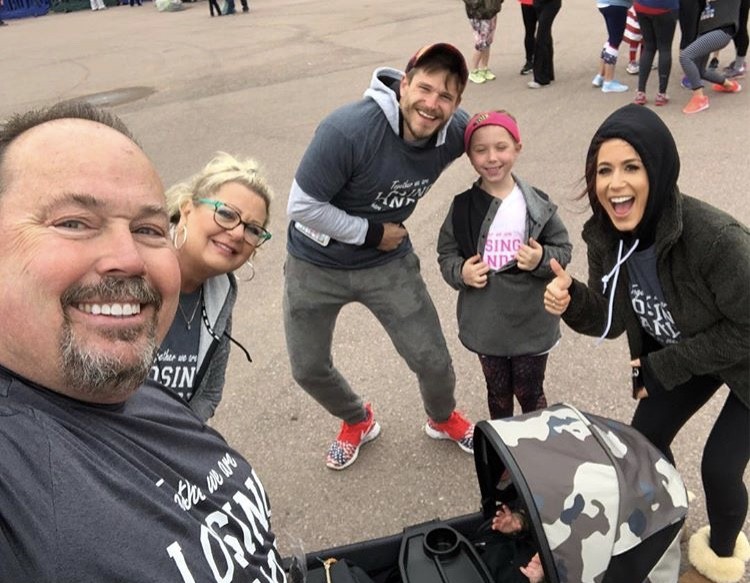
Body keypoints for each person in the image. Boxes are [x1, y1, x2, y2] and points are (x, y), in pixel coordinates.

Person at [0, 102, 287, 582]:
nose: (128, 258)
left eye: (146, 229)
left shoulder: (130, 382)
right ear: (189, 211)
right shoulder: (20, 475)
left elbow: (209, 384)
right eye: (73, 222)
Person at [544, 104, 750, 583]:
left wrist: (662, 366)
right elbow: (611, 318)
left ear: (658, 170)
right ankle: (667, 519)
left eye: (632, 167)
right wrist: (573, 297)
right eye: (604, 170)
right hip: (690, 348)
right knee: (644, 445)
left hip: (744, 354)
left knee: (720, 466)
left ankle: (720, 559)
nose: (616, 183)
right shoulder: (606, 237)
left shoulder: (716, 239)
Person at [284, 43, 474, 471]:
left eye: (446, 96)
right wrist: (372, 233)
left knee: (432, 360)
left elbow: (494, 139)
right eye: (424, 88)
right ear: (403, 85)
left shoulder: (456, 130)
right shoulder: (349, 130)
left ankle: (441, 419)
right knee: (308, 367)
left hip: (387, 265)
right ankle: (357, 419)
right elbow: (300, 206)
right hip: (315, 264)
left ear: (457, 103)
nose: (432, 104)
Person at [437, 110, 572, 420]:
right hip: (488, 324)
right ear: (469, 156)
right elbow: (446, 254)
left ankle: (534, 450)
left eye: (501, 147)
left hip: (531, 320)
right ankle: (503, 455)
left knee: (530, 390)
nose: (492, 157)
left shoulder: (537, 203)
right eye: (480, 150)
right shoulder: (462, 207)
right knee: (498, 394)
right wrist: (462, 272)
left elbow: (563, 249)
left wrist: (540, 260)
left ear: (517, 148)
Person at [148, 152, 273, 421]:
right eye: (226, 214)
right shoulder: (135, 269)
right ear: (187, 210)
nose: (239, 233)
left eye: (253, 229)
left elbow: (209, 393)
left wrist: (182, 436)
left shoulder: (220, 292)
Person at [680, 0, 743, 114]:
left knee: (685, 56)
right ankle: (728, 85)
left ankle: (699, 98)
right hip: (707, 29)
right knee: (699, 70)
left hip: (722, 30)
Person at [632, 0, 679, 106]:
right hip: (665, 7)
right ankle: (661, 94)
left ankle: (641, 92)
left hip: (641, 5)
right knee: (665, 48)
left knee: (648, 47)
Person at [591, 0, 633, 92]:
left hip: (605, 4)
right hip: (616, 5)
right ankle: (608, 81)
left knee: (612, 39)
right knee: (614, 42)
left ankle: (601, 75)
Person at [463, 0, 503, 84]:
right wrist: (477, 4)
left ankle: (484, 68)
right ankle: (473, 71)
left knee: (488, 40)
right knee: (481, 42)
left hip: (491, 11)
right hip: (478, 13)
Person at [526, 0, 562, 88]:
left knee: (541, 38)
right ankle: (548, 73)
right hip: (538, 3)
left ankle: (541, 79)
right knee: (546, 37)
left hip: (551, 3)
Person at [518, 0, 537, 75]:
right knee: (529, 31)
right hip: (527, 2)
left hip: (544, 3)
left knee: (543, 32)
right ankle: (529, 61)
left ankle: (543, 61)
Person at [624, 5, 644, 74]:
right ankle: (632, 61)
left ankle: (643, 61)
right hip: (637, 10)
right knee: (635, 38)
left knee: (646, 39)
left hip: (646, 9)